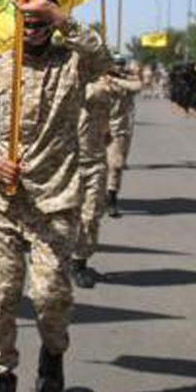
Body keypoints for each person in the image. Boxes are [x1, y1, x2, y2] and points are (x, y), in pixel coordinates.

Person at [0, 0, 109, 392]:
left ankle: (53, 354)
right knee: (2, 295)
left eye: (40, 20)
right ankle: (2, 385)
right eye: (25, 21)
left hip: (55, 201)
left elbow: (103, 59)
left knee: (49, 297)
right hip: (3, 202)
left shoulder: (73, 64)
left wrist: (60, 15)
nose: (33, 28)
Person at [68, 76, 112, 289]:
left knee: (91, 214)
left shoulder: (102, 84)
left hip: (94, 161)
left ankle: (79, 263)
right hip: (63, 162)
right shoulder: (61, 79)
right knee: (60, 216)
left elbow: (100, 95)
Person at [104, 58, 143, 218]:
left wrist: (116, 79)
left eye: (121, 64)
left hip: (118, 131)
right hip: (95, 130)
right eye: (115, 64)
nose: (118, 67)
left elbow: (137, 86)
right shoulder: (98, 79)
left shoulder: (124, 81)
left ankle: (111, 197)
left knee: (115, 165)